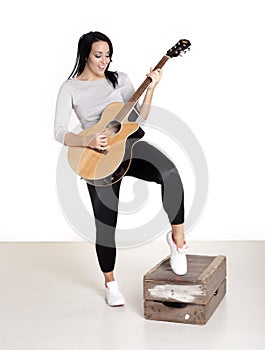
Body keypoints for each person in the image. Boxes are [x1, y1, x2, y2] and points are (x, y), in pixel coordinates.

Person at [54, 31, 188, 307]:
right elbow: (59, 131)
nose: (104, 60)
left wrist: (151, 88)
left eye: (108, 55)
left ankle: (178, 240)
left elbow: (138, 118)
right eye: (98, 55)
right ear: (85, 55)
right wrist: (86, 139)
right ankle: (110, 283)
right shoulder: (70, 88)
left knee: (170, 173)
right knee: (106, 224)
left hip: (128, 146)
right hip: (96, 155)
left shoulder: (121, 80)